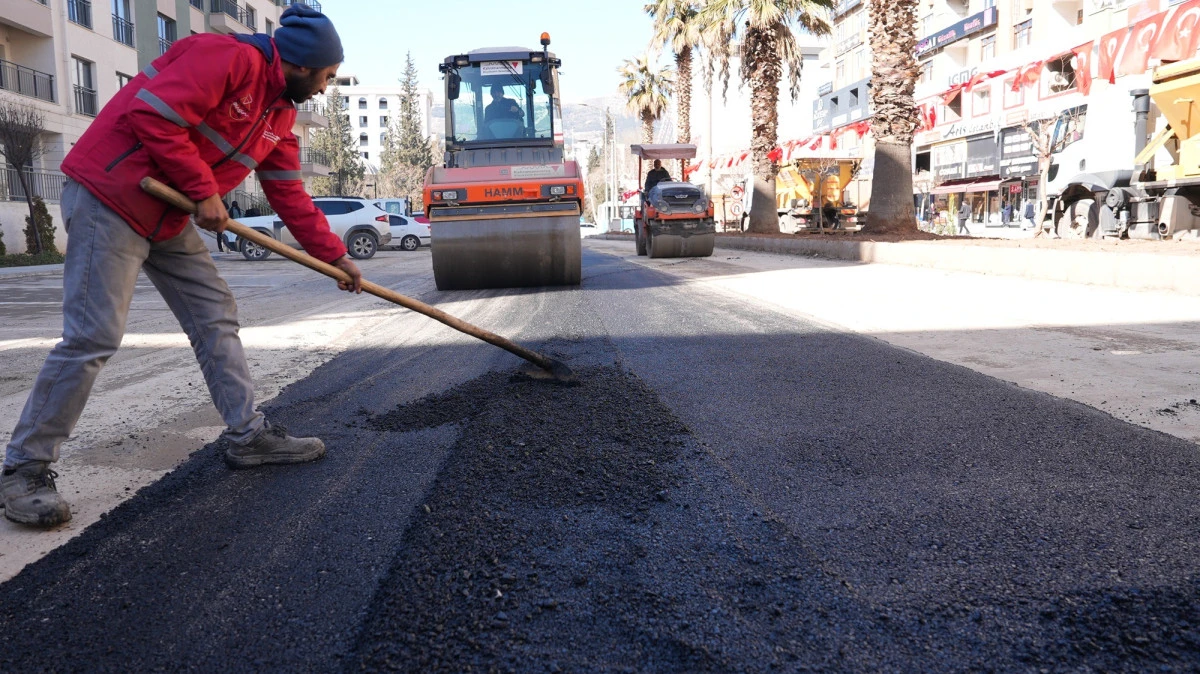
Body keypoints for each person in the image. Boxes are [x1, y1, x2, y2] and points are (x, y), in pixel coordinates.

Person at [0, 5, 363, 528]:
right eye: (328, 76)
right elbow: (153, 115)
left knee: (215, 313)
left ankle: (247, 435)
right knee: (93, 336)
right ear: (304, 65)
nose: (327, 88)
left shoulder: (280, 113)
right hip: (112, 198)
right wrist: (202, 191)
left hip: (167, 217)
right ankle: (24, 468)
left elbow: (288, 193)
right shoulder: (224, 57)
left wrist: (334, 257)